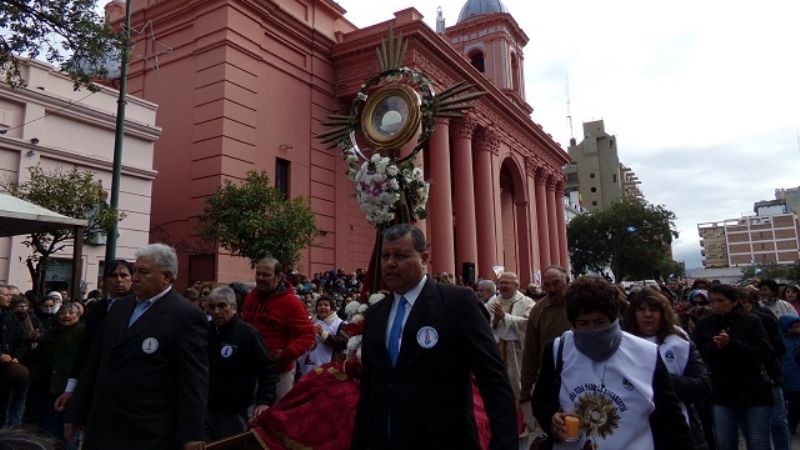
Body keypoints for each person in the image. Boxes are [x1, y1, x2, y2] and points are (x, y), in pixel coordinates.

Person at [351, 224, 517, 450]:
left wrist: (504, 443)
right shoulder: (375, 314)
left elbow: (493, 380)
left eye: (400, 255)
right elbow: (371, 389)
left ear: (424, 258)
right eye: (386, 255)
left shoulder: (458, 303)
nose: (390, 263)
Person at [65, 243, 209, 450]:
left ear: (167, 277)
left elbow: (193, 381)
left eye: (143, 272)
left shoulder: (186, 316)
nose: (135, 278)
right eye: (135, 271)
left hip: (147, 431)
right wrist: (76, 411)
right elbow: (95, 361)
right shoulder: (119, 308)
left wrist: (192, 434)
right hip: (102, 425)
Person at [531, 277, 693, 449]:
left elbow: (671, 418)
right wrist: (552, 420)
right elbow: (542, 399)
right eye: (583, 323)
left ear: (614, 318)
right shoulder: (558, 350)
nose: (592, 330)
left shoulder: (647, 353)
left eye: (600, 322)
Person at [624, 287, 711, 450]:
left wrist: (660, 380)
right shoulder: (621, 345)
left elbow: (702, 386)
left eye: (653, 309)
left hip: (677, 430)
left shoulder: (679, 343)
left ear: (663, 313)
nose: (648, 314)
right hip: (634, 431)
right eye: (641, 310)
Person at [694, 284, 773, 450]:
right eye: (712, 301)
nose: (715, 305)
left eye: (721, 301)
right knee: (724, 442)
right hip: (721, 392)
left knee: (758, 442)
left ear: (734, 301)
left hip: (754, 391)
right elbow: (698, 354)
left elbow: (764, 353)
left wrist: (732, 344)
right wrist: (715, 346)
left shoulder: (751, 321)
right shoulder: (704, 323)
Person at [54, 259, 134, 413]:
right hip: (96, 381)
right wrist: (71, 387)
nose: (119, 280)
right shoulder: (97, 309)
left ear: (131, 278)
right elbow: (86, 348)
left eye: (124, 275)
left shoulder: (139, 307)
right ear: (105, 280)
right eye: (113, 275)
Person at [206, 286, 279, 441]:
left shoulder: (248, 333)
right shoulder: (204, 332)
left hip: (235, 413)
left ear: (234, 307)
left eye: (222, 306)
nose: (216, 311)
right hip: (204, 410)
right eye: (211, 307)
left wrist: (264, 400)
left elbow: (268, 369)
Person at [240, 256, 315, 401]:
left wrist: (288, 354)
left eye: (266, 275)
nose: (260, 278)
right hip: (249, 371)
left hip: (279, 374)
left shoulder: (291, 302)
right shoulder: (250, 297)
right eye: (258, 273)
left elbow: (308, 334)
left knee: (274, 419)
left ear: (278, 277)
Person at [22, 302, 85, 446]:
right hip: (46, 386)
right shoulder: (52, 332)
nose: (66, 316)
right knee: (45, 427)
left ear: (78, 315)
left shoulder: (82, 332)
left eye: (71, 313)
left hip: (67, 388)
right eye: (63, 313)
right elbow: (36, 355)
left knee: (65, 429)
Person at [520, 266, 572, 403]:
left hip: (577, 371)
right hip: (549, 374)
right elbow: (531, 350)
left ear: (567, 281)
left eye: (556, 283)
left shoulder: (580, 304)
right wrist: (526, 386)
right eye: (547, 285)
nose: (552, 289)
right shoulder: (537, 310)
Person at [299, 295, 347, 376]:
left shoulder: (341, 324)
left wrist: (323, 334)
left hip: (330, 368)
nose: (322, 307)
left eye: (326, 305)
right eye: (320, 305)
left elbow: (343, 343)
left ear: (331, 308)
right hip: (312, 366)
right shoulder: (315, 323)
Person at [778, 315, 800, 435]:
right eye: (795, 327)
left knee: (795, 405)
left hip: (797, 378)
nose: (797, 329)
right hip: (786, 378)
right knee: (789, 405)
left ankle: (792, 425)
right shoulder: (781, 341)